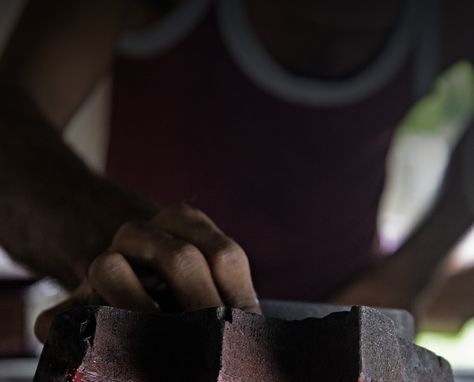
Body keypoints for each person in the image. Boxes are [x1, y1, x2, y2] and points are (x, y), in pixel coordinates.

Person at [0, 0, 472, 342]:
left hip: (341, 312)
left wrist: (413, 269)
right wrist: (131, 259)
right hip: (155, 321)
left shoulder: (448, 17)